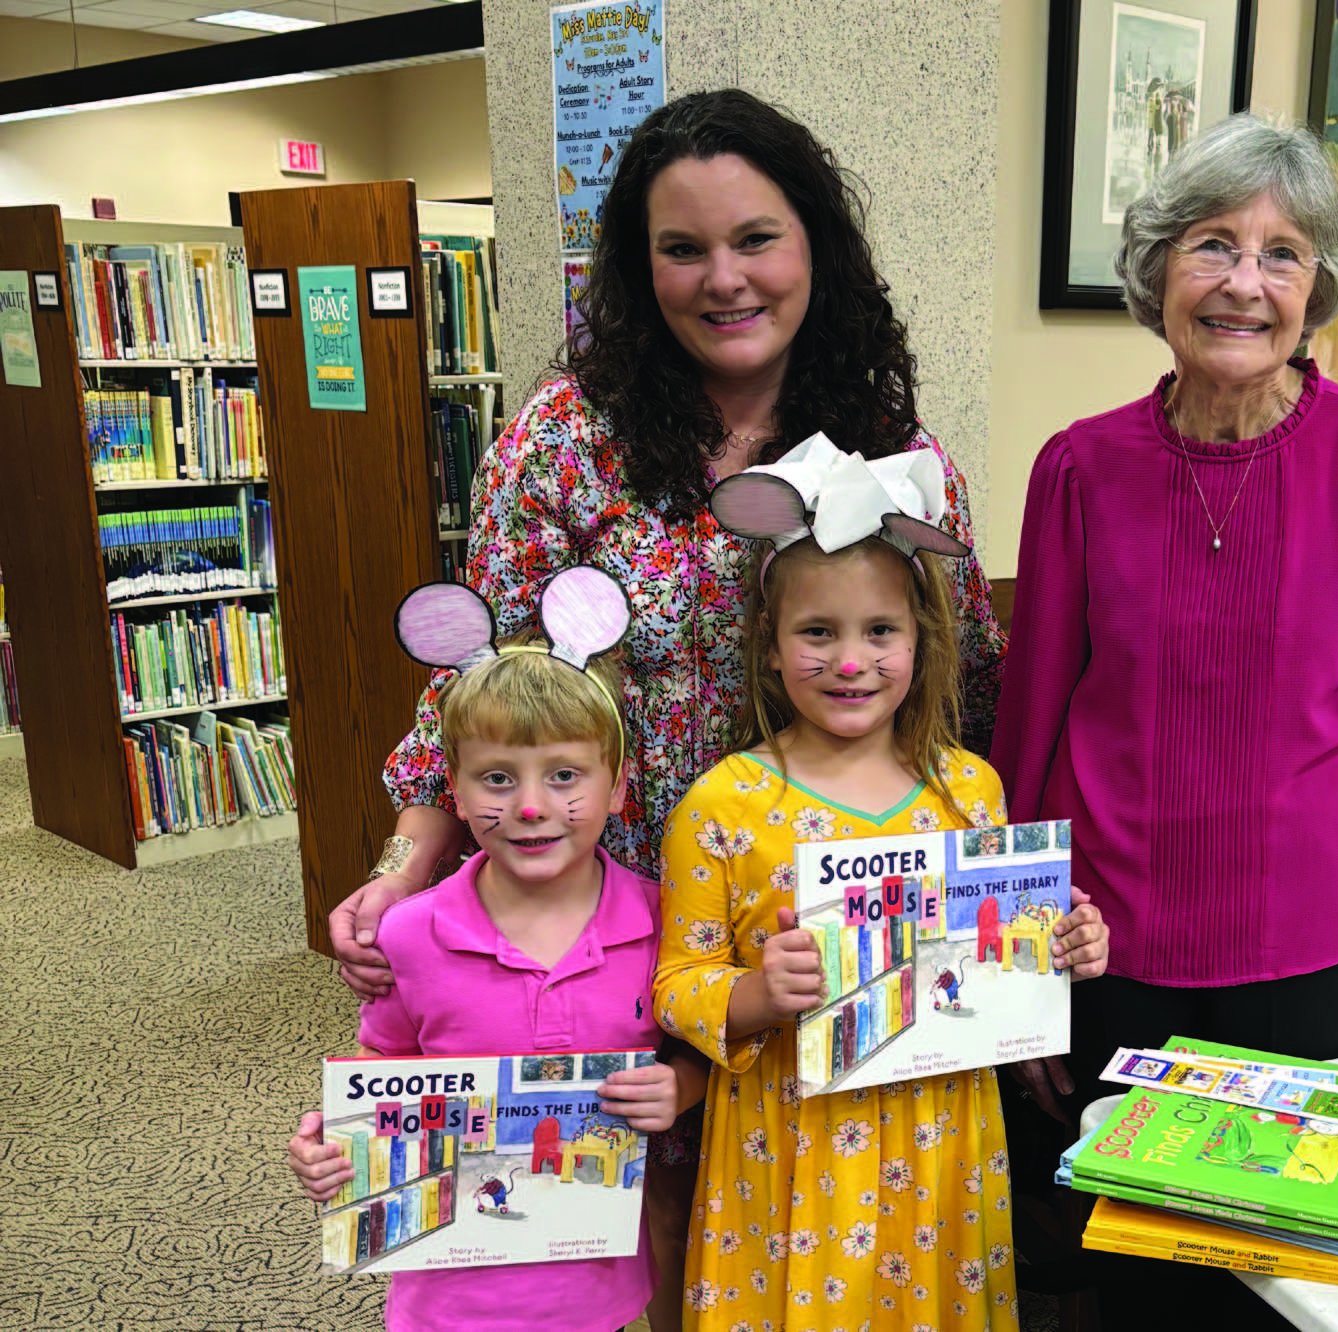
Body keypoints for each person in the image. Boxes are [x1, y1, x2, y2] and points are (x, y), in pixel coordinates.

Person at [326, 88, 1008, 1329]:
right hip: (618, 914)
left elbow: (955, 698)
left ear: (815, 245)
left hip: (831, 929)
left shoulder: (889, 454)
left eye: (755, 238)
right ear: (639, 272)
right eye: (682, 248)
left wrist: (1010, 935)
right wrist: (398, 868)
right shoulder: (565, 440)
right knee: (618, 1229)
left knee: (828, 1215)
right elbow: (484, 690)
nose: (723, 278)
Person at [994, 110, 1338, 1134]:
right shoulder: (1079, 467)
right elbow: (1030, 724)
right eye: (1213, 246)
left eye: (1281, 255)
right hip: (1102, 942)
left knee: (1281, 1274)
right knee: (1120, 1259)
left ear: (1315, 289)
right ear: (1160, 274)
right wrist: (1011, 962)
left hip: (1314, 943)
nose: (1245, 283)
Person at [653, 438, 1110, 1329]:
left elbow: (1000, 958)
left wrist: (1062, 948)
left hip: (946, 1139)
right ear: (772, 645)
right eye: (818, 632)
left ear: (920, 638)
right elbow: (678, 986)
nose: (851, 661)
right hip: (794, 1142)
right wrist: (756, 992)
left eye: (880, 632)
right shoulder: (725, 803)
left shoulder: (968, 789)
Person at [286, 572, 706, 1332]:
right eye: (497, 779)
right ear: (453, 785)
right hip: (446, 1295)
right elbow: (387, 1071)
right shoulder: (411, 934)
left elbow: (697, 1051)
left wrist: (682, 1088)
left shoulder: (658, 919)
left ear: (619, 788)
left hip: (596, 1288)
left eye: (566, 776)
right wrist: (339, 1141)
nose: (533, 806)